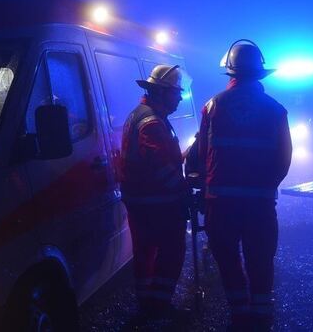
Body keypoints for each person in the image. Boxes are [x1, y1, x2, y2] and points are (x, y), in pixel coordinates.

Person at [197, 40, 292, 331]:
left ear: (231, 73)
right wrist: (266, 186)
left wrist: (207, 186)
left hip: (221, 204)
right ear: (260, 73)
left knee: (227, 257)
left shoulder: (212, 106)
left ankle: (239, 314)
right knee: (260, 258)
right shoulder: (276, 110)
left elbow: (202, 153)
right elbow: (284, 157)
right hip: (260, 204)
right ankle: (261, 316)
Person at [119, 64, 189, 318]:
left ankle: (146, 305)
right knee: (171, 251)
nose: (180, 98)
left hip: (141, 201)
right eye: (176, 93)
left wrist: (180, 157)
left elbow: (157, 161)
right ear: (161, 92)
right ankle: (158, 306)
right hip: (157, 204)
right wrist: (184, 192)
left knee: (145, 252)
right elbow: (159, 170)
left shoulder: (142, 115)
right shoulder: (151, 123)